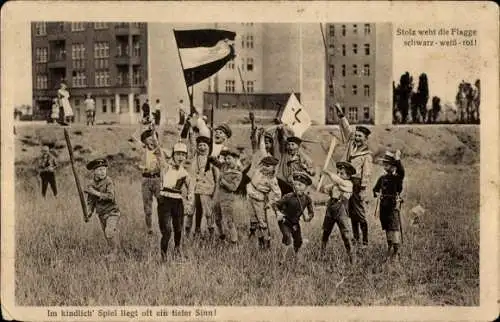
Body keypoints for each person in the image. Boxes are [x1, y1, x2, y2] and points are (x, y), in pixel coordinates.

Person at [335, 103, 373, 248]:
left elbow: (367, 173)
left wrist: (363, 189)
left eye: (360, 136)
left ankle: (365, 242)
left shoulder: (366, 155)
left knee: (359, 212)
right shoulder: (352, 144)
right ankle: (356, 239)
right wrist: (341, 115)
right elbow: (347, 129)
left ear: (365, 139)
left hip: (357, 185)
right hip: (347, 182)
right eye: (356, 135)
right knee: (351, 212)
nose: (357, 138)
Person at [156, 141, 194, 261]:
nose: (180, 157)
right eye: (178, 154)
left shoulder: (184, 172)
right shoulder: (165, 166)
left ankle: (178, 252)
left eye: (183, 154)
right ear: (173, 155)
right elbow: (158, 149)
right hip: (164, 201)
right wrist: (153, 133)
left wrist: (189, 199)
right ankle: (163, 257)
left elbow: (191, 188)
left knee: (178, 229)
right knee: (167, 230)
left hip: (177, 202)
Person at [272, 172, 315, 264]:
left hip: (295, 223)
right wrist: (278, 213)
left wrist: (308, 217)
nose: (297, 186)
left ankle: (295, 256)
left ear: (306, 186)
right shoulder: (288, 196)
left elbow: (311, 213)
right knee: (287, 237)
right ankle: (283, 260)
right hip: (284, 221)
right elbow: (275, 204)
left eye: (300, 185)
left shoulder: (307, 199)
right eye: (295, 184)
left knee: (298, 241)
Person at [319, 161, 356, 264]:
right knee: (326, 231)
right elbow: (324, 189)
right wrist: (321, 180)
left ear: (348, 175)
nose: (339, 175)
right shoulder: (335, 184)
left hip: (341, 210)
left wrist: (329, 173)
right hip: (331, 209)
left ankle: (352, 257)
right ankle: (322, 253)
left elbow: (339, 181)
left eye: (342, 173)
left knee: (346, 234)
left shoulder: (348, 184)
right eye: (338, 172)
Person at [84, 158, 121, 260]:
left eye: (104, 169)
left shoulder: (108, 181)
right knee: (107, 234)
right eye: (99, 170)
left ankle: (114, 254)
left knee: (109, 231)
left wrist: (95, 192)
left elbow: (110, 196)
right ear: (94, 172)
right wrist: (89, 212)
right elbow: (91, 201)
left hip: (112, 212)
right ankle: (114, 250)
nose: (102, 172)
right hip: (101, 213)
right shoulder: (91, 184)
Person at [373, 150, 405, 263]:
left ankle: (396, 251)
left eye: (388, 164)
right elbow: (375, 189)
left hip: (393, 205)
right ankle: (389, 247)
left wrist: (397, 160)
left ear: (393, 166)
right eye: (384, 164)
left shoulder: (398, 177)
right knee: (387, 227)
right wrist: (377, 194)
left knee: (394, 227)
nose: (385, 166)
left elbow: (401, 171)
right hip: (383, 206)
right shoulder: (382, 178)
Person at [186, 135, 220, 238]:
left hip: (206, 190)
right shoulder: (193, 159)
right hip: (193, 188)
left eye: (204, 145)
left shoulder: (212, 160)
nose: (202, 148)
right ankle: (190, 232)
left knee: (208, 212)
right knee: (190, 211)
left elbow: (217, 178)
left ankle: (211, 234)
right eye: (200, 145)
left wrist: (215, 192)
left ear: (209, 147)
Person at [246, 156, 281, 248]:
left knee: (262, 222)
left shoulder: (272, 180)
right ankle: (260, 239)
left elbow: (278, 194)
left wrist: (270, 203)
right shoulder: (258, 171)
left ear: (273, 168)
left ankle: (266, 241)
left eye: (268, 166)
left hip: (260, 200)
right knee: (254, 221)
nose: (265, 167)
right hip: (250, 196)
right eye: (264, 165)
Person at [216, 147, 243, 244]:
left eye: (229, 159)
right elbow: (215, 160)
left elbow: (233, 188)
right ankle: (222, 239)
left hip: (227, 199)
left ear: (235, 159)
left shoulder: (238, 173)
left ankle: (234, 242)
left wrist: (224, 182)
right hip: (218, 197)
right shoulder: (224, 167)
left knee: (229, 221)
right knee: (217, 219)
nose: (227, 161)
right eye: (226, 158)